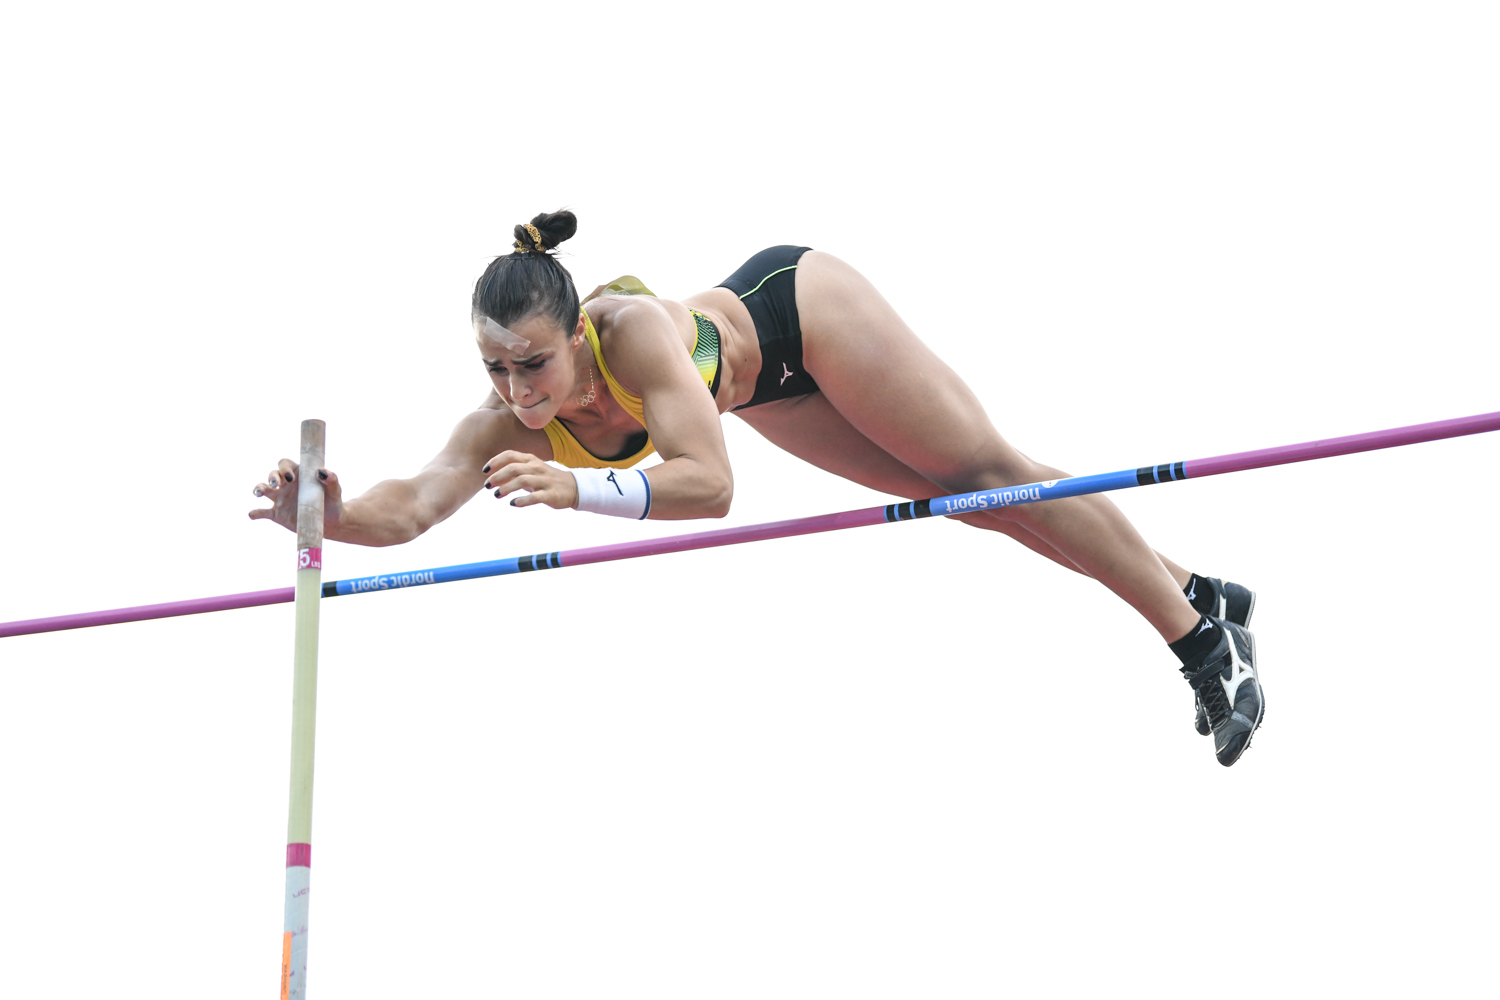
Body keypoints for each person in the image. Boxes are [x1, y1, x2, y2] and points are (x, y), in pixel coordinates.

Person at [250, 211, 1264, 765]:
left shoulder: (632, 337)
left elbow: (709, 485)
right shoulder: (502, 419)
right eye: (497, 370)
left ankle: (1198, 640)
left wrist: (575, 489)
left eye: (534, 366)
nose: (518, 392)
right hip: (767, 392)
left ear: (576, 334)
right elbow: (413, 506)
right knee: (975, 508)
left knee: (985, 474)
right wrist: (326, 516)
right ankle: (1198, 591)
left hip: (801, 314)